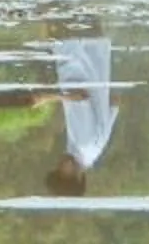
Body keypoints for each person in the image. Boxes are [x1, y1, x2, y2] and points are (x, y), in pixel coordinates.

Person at [42, 32, 119, 193]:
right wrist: (46, 98)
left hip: (93, 51)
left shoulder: (93, 151)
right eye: (63, 172)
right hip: (77, 55)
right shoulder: (83, 144)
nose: (59, 165)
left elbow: (114, 103)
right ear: (77, 177)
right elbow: (80, 97)